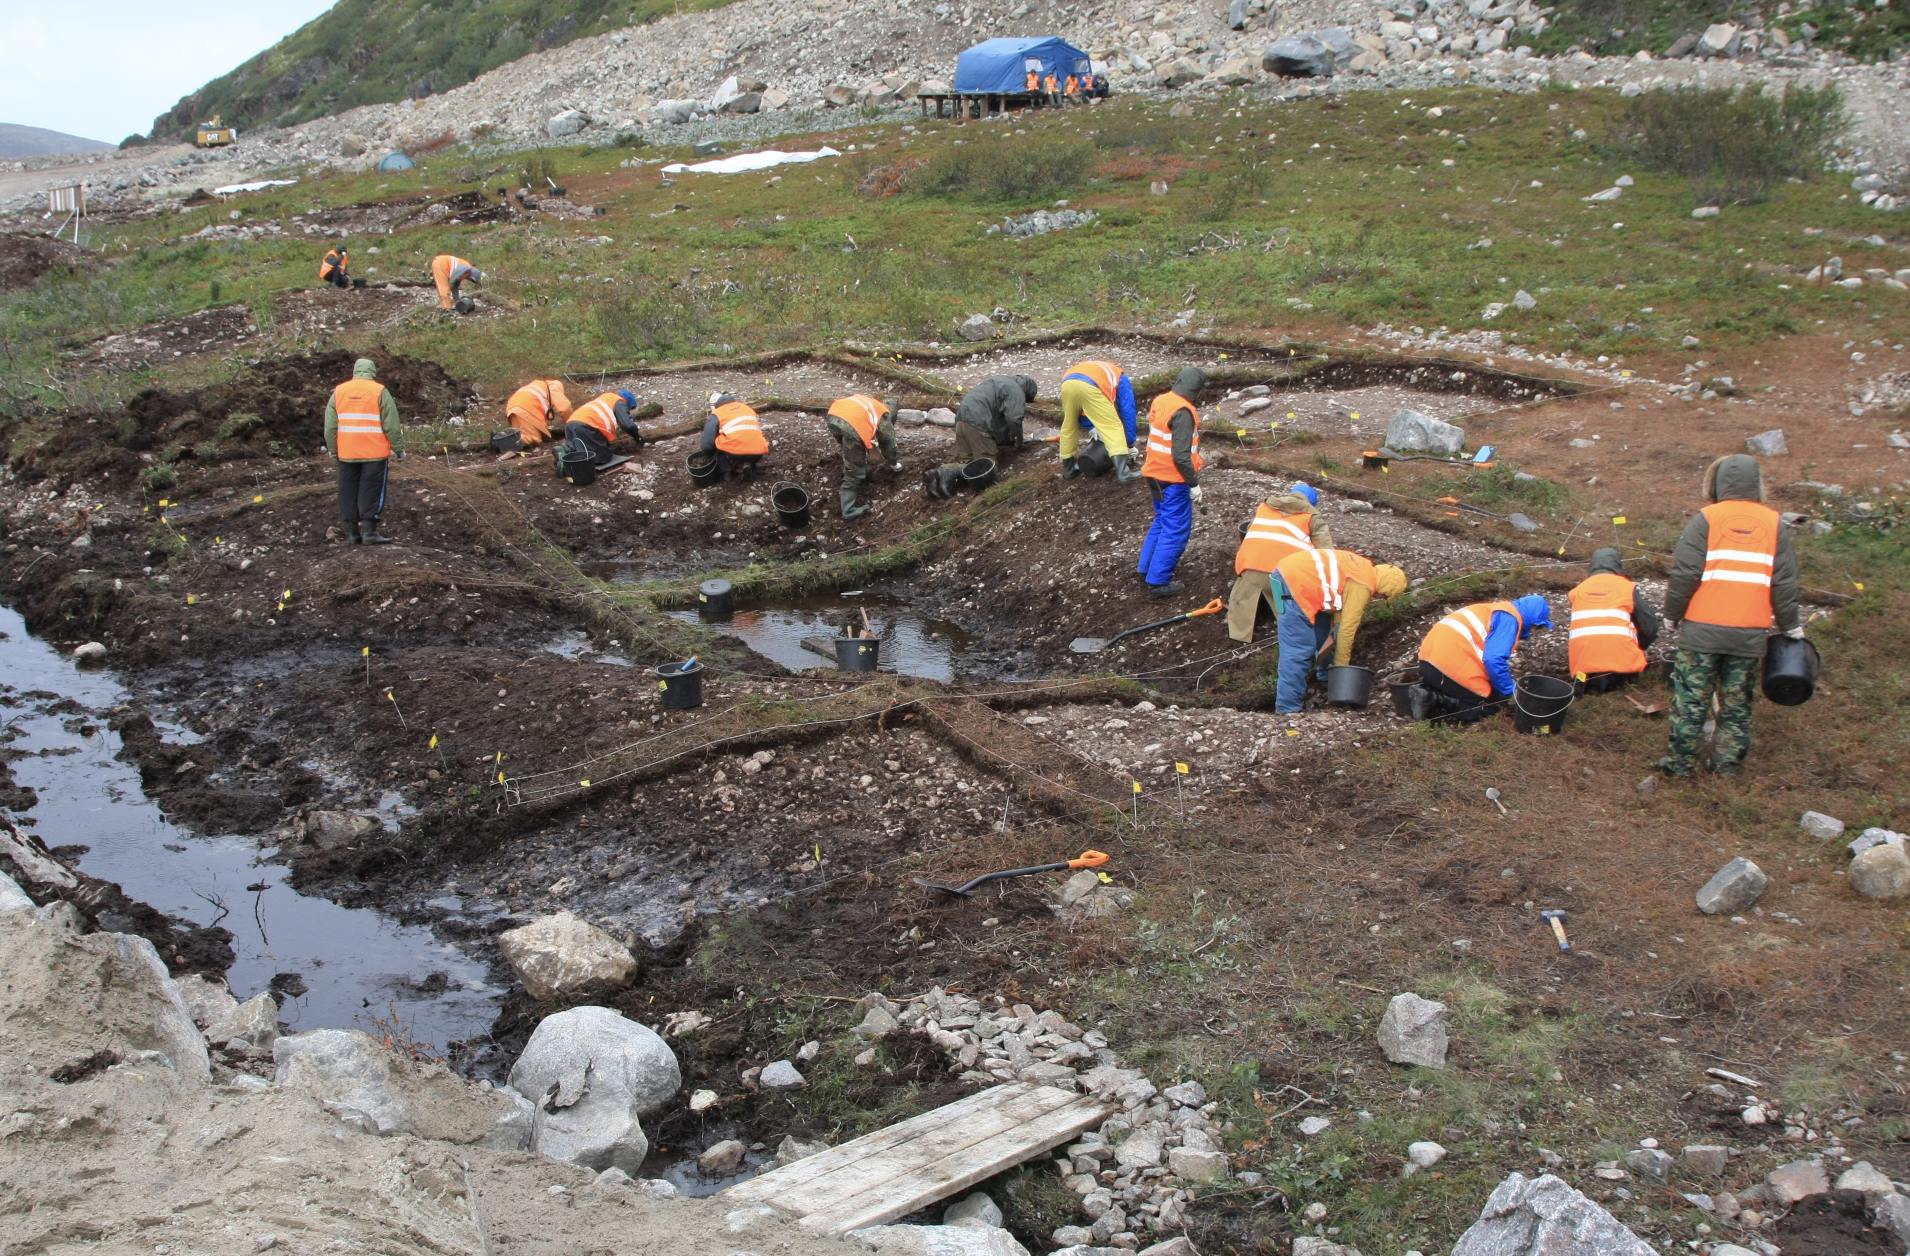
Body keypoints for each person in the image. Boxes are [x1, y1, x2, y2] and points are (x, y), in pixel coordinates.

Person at [1659, 453, 1802, 778]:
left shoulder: (1705, 519)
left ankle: (1680, 765)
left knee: (1691, 703)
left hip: (1701, 636)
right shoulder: (1773, 523)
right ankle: (1725, 768)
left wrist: (1672, 614)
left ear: (1717, 482)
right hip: (1748, 637)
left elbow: (1685, 574)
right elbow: (1784, 582)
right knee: (1737, 707)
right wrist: (1790, 625)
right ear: (1757, 484)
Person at [1268, 548, 1407, 714]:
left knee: (1327, 629)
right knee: (1299, 649)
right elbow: (1347, 631)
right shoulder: (1362, 586)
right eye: (1383, 597)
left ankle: (1326, 676)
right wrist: (1343, 674)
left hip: (1293, 574)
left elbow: (1339, 618)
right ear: (1384, 589)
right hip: (1297, 584)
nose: (1377, 598)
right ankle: (1287, 708)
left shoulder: (1362, 569)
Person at [1417, 594, 1554, 723]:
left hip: (1428, 661)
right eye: (1537, 626)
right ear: (1531, 619)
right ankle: (1435, 700)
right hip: (1447, 666)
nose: (1534, 631)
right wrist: (1510, 691)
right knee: (1490, 707)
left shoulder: (1496, 609)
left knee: (1485, 691)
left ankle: (1422, 692)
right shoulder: (1510, 620)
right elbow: (1494, 659)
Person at [1226, 482, 1334, 642]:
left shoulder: (1264, 508)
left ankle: (1240, 635)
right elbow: (1326, 554)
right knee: (1293, 615)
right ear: (1310, 503)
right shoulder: (1312, 517)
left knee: (1247, 596)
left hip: (1249, 569)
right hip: (1283, 577)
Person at [1136, 367, 1207, 598]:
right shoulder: (1184, 412)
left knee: (1161, 522)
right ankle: (1157, 582)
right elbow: (1181, 456)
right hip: (1172, 480)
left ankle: (1145, 571)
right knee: (1175, 529)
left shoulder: (1162, 400)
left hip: (1154, 474)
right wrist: (1193, 483)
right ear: (1197, 390)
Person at [324, 357, 403, 545]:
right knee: (372, 489)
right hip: (374, 453)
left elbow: (330, 427)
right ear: (373, 372)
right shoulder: (380, 391)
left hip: (347, 453)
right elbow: (391, 425)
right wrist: (399, 449)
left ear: (355, 371)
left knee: (347, 490)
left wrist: (333, 450)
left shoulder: (339, 392)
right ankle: (369, 533)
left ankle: (353, 533)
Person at [926, 374, 1037, 498]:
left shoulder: (1000, 381)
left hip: (961, 421)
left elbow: (997, 419)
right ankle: (946, 472)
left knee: (972, 466)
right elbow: (1014, 419)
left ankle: (938, 477)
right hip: (977, 424)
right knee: (987, 469)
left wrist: (1006, 439)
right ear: (1027, 392)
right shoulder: (1016, 390)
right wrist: (1018, 440)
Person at [1568, 546, 1659, 693]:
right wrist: (1637, 645)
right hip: (1621, 669)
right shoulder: (1626, 587)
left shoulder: (1577, 592)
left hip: (1583, 673)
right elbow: (1650, 627)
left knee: (1587, 685)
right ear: (1617, 566)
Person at [1058, 359, 1138, 483]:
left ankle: (1069, 471)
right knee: (1112, 426)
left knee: (1069, 426)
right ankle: (1124, 473)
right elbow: (1128, 411)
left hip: (1067, 383)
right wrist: (1130, 443)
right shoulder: (1121, 377)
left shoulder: (1100, 369)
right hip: (1090, 385)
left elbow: (1082, 407)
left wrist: (1090, 426)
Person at [825, 393, 902, 520]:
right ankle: (848, 510)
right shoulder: (885, 415)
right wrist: (893, 463)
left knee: (850, 442)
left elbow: (863, 421)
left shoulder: (873, 405)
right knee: (855, 470)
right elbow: (889, 446)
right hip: (850, 424)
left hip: (834, 415)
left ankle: (851, 458)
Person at [700, 392, 769, 481]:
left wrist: (708, 453)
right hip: (759, 451)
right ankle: (749, 463)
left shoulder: (717, 414)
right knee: (750, 436)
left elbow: (707, 445)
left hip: (737, 453)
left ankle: (726, 472)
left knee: (717, 440)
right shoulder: (746, 407)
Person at [566, 389, 643, 468]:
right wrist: (638, 437)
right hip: (585, 426)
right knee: (603, 457)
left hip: (570, 423)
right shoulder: (619, 401)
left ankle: (564, 456)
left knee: (577, 452)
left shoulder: (606, 398)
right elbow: (628, 425)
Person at [505, 378, 573, 447]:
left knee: (519, 435)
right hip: (525, 408)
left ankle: (503, 437)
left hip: (512, 408)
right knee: (534, 438)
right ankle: (501, 442)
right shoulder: (553, 387)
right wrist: (571, 426)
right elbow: (565, 408)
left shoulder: (539, 385)